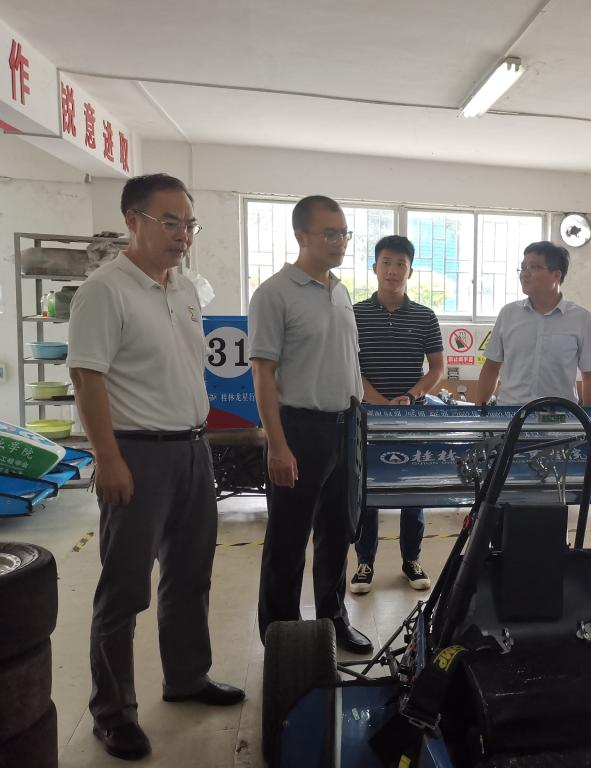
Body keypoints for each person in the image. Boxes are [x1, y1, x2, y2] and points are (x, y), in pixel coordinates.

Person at [68, 174, 244, 761]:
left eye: (190, 224)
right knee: (124, 590)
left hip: (193, 450)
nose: (183, 235)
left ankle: (187, 677)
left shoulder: (186, 288)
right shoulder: (104, 291)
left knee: (191, 575)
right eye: (171, 222)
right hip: (135, 454)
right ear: (133, 220)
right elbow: (87, 378)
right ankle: (112, 713)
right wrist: (107, 458)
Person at [250, 195, 372, 655]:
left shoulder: (339, 291)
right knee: (288, 538)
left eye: (344, 233)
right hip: (299, 429)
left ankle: (332, 619)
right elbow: (263, 374)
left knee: (336, 533)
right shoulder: (274, 293)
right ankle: (282, 635)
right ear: (302, 236)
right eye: (330, 233)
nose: (340, 242)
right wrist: (277, 446)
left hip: (344, 428)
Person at [350, 235, 443, 594]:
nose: (392, 270)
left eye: (400, 264)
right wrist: (376, 401)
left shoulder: (425, 316)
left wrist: (411, 395)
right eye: (386, 262)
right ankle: (364, 562)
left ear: (410, 271)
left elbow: (437, 368)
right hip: (366, 416)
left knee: (412, 489)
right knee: (367, 489)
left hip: (412, 416)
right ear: (375, 267)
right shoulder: (354, 314)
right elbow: (350, 365)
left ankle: (411, 561)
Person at [476, 241, 591, 406]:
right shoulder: (508, 314)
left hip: (561, 416)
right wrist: (480, 411)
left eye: (533, 267)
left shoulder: (582, 319)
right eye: (523, 268)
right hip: (510, 414)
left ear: (556, 275)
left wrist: (590, 417)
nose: (524, 274)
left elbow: (590, 375)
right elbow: (491, 367)